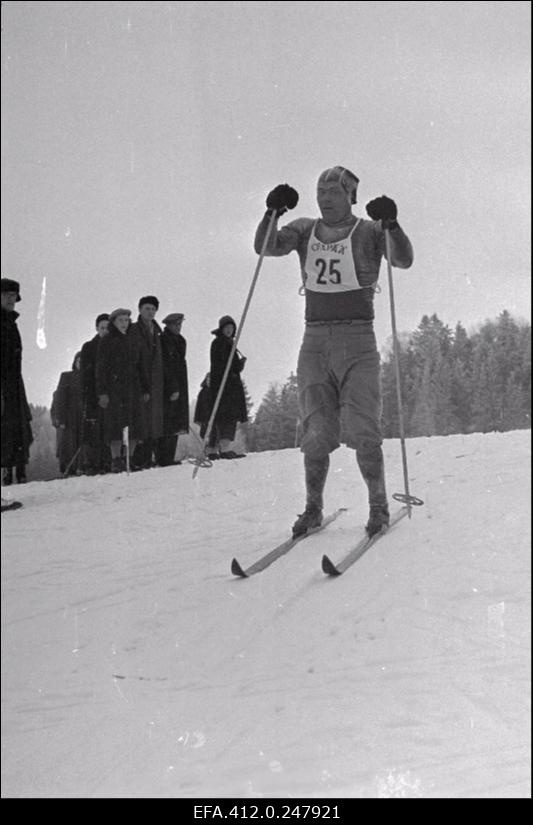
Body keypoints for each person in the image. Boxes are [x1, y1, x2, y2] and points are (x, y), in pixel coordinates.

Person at [254, 167, 414, 537]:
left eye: (334, 192)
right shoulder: (305, 229)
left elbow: (403, 260)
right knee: (315, 429)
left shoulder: (368, 231)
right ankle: (313, 508)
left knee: (363, 425)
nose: (325, 198)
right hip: (315, 340)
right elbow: (265, 247)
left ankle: (378, 505)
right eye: (321, 191)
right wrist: (271, 213)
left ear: (350, 196)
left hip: (357, 338)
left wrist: (391, 224)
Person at [95, 308, 150, 473]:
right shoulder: (107, 341)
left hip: (133, 388)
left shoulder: (134, 340)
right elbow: (101, 368)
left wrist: (145, 388)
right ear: (114, 322)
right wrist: (102, 392)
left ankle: (130, 458)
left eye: (126, 320)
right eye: (121, 320)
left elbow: (141, 366)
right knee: (115, 426)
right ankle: (116, 459)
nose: (124, 323)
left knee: (135, 425)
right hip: (114, 389)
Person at [1, 278, 33, 502]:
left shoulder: (10, 323)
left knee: (8, 439)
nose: (11, 300)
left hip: (12, 389)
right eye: (6, 295)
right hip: (3, 388)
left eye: (13, 296)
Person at [129, 296, 164, 469]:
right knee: (140, 422)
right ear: (140, 310)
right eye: (147, 309)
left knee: (152, 422)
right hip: (140, 382)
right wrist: (142, 385)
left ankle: (148, 458)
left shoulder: (156, 331)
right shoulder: (134, 330)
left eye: (153, 309)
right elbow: (134, 359)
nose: (150, 312)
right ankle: (137, 459)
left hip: (155, 383)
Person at [207, 315, 248, 459]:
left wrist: (239, 364)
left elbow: (234, 367)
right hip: (222, 387)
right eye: (227, 328)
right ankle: (217, 449)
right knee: (222, 417)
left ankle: (225, 447)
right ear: (222, 329)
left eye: (231, 328)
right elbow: (219, 365)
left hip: (231, 388)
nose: (229, 330)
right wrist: (229, 370)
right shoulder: (218, 343)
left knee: (230, 417)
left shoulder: (230, 343)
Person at [79, 313, 112, 474]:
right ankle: (91, 464)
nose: (105, 331)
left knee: (108, 430)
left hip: (110, 396)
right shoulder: (89, 347)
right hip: (93, 395)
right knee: (93, 431)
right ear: (97, 328)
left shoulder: (114, 345)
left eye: (107, 328)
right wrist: (91, 395)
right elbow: (85, 374)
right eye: (102, 327)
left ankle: (107, 462)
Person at [157, 313, 189, 466]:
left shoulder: (180, 340)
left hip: (179, 383)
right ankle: (164, 457)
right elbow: (167, 366)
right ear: (168, 325)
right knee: (168, 421)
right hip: (168, 386)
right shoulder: (164, 340)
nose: (178, 327)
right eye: (175, 324)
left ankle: (170, 456)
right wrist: (173, 387)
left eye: (179, 324)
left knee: (176, 421)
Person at [50, 352, 84, 476]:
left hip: (84, 416)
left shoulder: (90, 378)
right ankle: (69, 469)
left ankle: (81, 467)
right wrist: (60, 418)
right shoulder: (66, 377)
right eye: (79, 360)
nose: (81, 363)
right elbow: (60, 398)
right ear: (75, 362)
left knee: (83, 443)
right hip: (70, 417)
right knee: (69, 445)